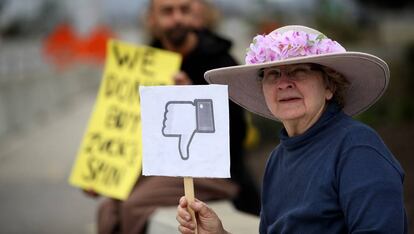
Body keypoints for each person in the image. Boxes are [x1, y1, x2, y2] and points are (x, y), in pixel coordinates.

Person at [176, 25, 408, 233]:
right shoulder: (277, 158)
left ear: (329, 86)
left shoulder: (357, 149)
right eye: (273, 74)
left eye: (299, 71)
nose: (284, 83)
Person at [93, 0, 260, 233]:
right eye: (167, 11)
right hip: (160, 167)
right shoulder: (144, 62)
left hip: (210, 173)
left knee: (132, 206)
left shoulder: (219, 62)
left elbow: (236, 134)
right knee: (108, 207)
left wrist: (192, 97)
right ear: (152, 18)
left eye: (184, 9)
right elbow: (122, 127)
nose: (177, 18)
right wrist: (99, 176)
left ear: (197, 13)